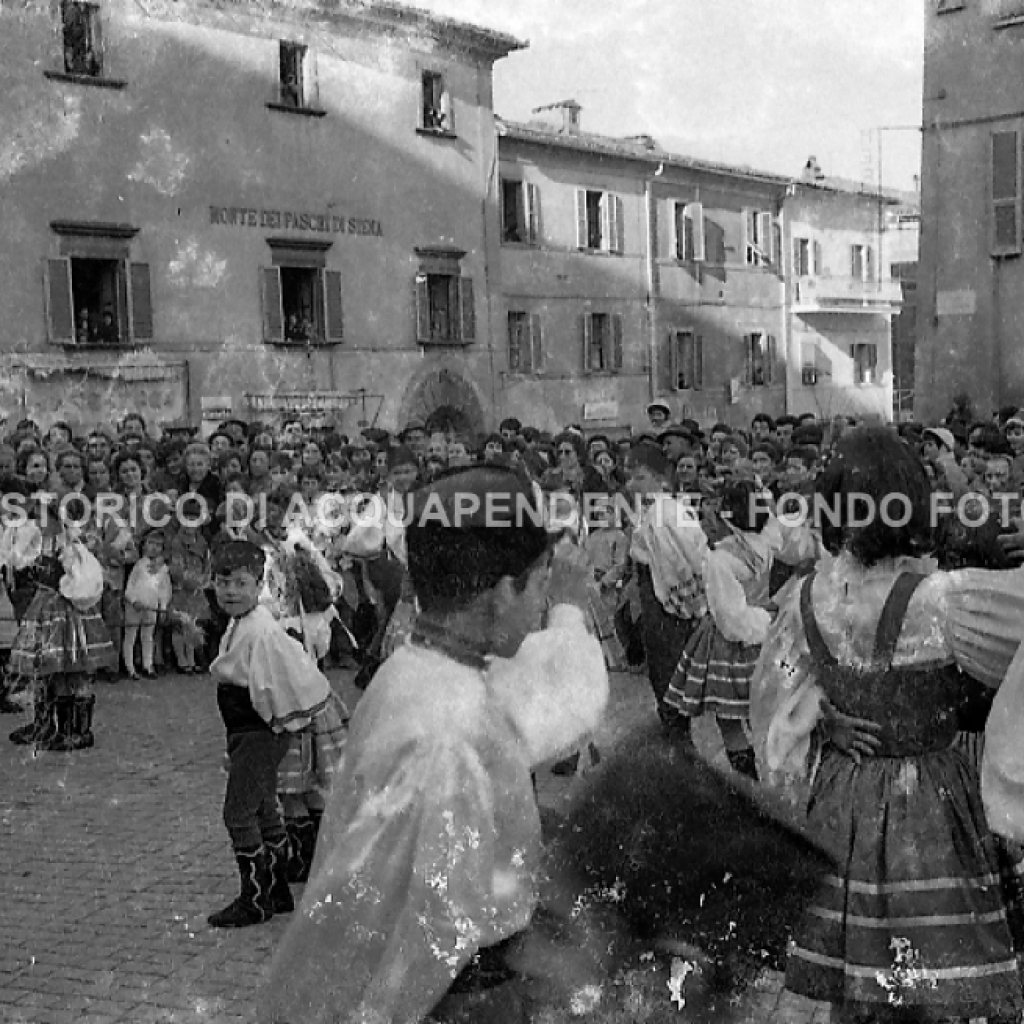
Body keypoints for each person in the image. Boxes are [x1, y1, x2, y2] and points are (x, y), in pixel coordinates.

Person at [259, 466, 609, 1024]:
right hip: (456, 1000)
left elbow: (543, 700)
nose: (542, 602)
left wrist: (565, 606)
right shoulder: (453, 730)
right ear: (501, 593)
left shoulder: (416, 669)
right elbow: (438, 925)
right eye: (540, 584)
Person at [752, 427, 1024, 1024]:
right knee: (927, 980)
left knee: (857, 980)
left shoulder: (807, 598)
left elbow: (771, 703)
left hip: (841, 802)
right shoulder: (941, 599)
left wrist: (822, 718)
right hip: (928, 803)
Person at [207, 540, 342, 929]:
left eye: (239, 584)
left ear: (258, 584)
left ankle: (256, 898)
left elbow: (281, 682)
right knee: (265, 808)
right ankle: (277, 888)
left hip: (258, 732)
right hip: (247, 731)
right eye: (222, 583)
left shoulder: (261, 631)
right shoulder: (245, 624)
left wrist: (275, 725)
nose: (229, 591)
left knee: (238, 814)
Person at [122, 530, 172, 679]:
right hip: (135, 606)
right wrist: (133, 600)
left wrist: (162, 608)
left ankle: (148, 666)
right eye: (151, 543)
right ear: (144, 545)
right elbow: (130, 586)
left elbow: (165, 589)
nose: (154, 548)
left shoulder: (163, 569)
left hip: (151, 607)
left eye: (158, 545)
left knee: (147, 636)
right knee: (131, 636)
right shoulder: (138, 565)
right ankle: (130, 668)